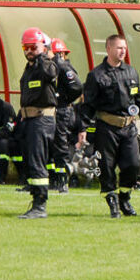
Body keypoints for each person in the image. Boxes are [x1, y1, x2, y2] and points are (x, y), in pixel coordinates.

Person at [82, 33, 140, 219]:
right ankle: (112, 201)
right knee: (107, 166)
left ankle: (124, 197)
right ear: (109, 48)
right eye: (119, 48)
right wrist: (83, 128)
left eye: (125, 48)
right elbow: (88, 105)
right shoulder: (96, 75)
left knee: (133, 164)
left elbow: (138, 96)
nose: (123, 51)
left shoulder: (131, 72)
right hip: (107, 128)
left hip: (128, 127)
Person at [15, 28, 58, 219]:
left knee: (37, 161)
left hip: (41, 120)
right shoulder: (30, 68)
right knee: (32, 160)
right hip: (31, 120)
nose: (29, 50)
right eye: (26, 47)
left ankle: (40, 205)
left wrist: (42, 54)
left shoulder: (46, 64)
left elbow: (50, 74)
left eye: (33, 47)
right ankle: (36, 200)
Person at [49, 38, 83, 193]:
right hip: (51, 110)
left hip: (62, 111)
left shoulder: (64, 68)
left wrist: (63, 99)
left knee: (60, 143)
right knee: (48, 144)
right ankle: (52, 178)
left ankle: (63, 180)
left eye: (56, 54)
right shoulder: (49, 68)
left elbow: (77, 87)